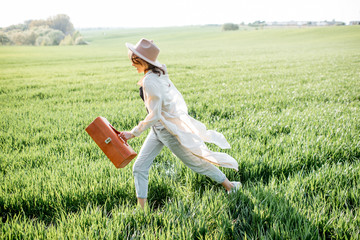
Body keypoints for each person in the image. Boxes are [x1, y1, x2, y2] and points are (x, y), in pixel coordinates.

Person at [119, 38, 241, 209]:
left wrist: (133, 133)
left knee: (196, 163)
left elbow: (155, 114)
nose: (132, 64)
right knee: (139, 167)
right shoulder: (157, 73)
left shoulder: (150, 80)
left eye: (134, 60)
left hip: (167, 130)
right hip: (158, 130)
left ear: (143, 60)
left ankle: (231, 186)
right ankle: (141, 210)